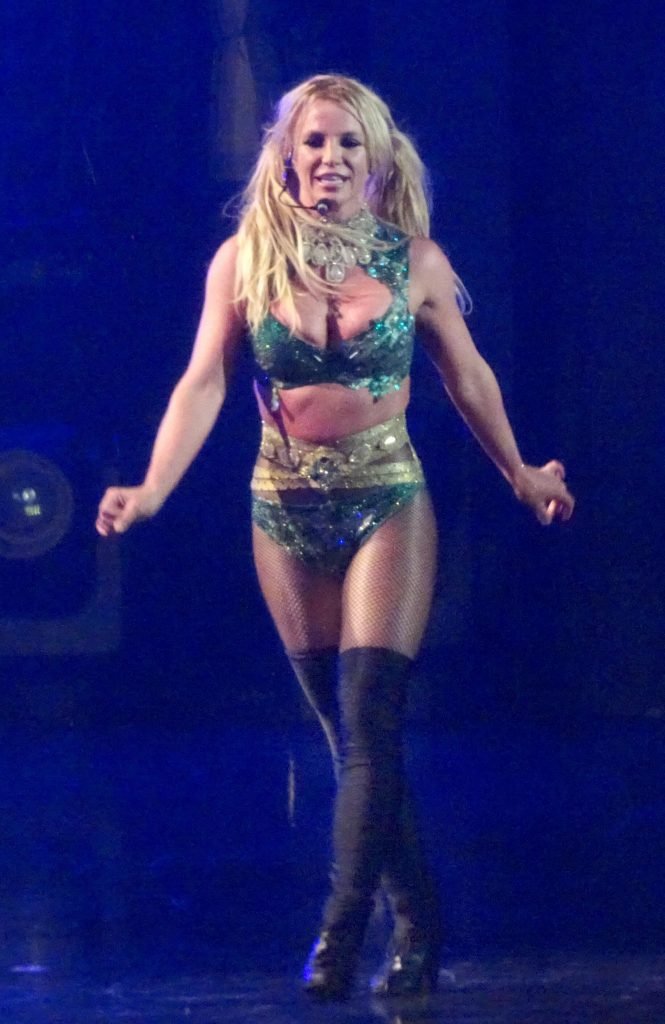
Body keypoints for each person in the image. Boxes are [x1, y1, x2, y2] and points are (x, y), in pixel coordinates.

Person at [96, 74, 574, 1000]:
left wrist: (520, 472)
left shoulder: (413, 262)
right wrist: (153, 488)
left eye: (348, 143)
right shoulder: (244, 260)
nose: (330, 158)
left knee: (370, 721)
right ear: (285, 157)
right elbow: (203, 382)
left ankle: (339, 931)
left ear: (376, 159)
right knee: (351, 739)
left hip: (386, 498)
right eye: (313, 142)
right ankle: (419, 919)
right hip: (283, 506)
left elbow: (468, 378)